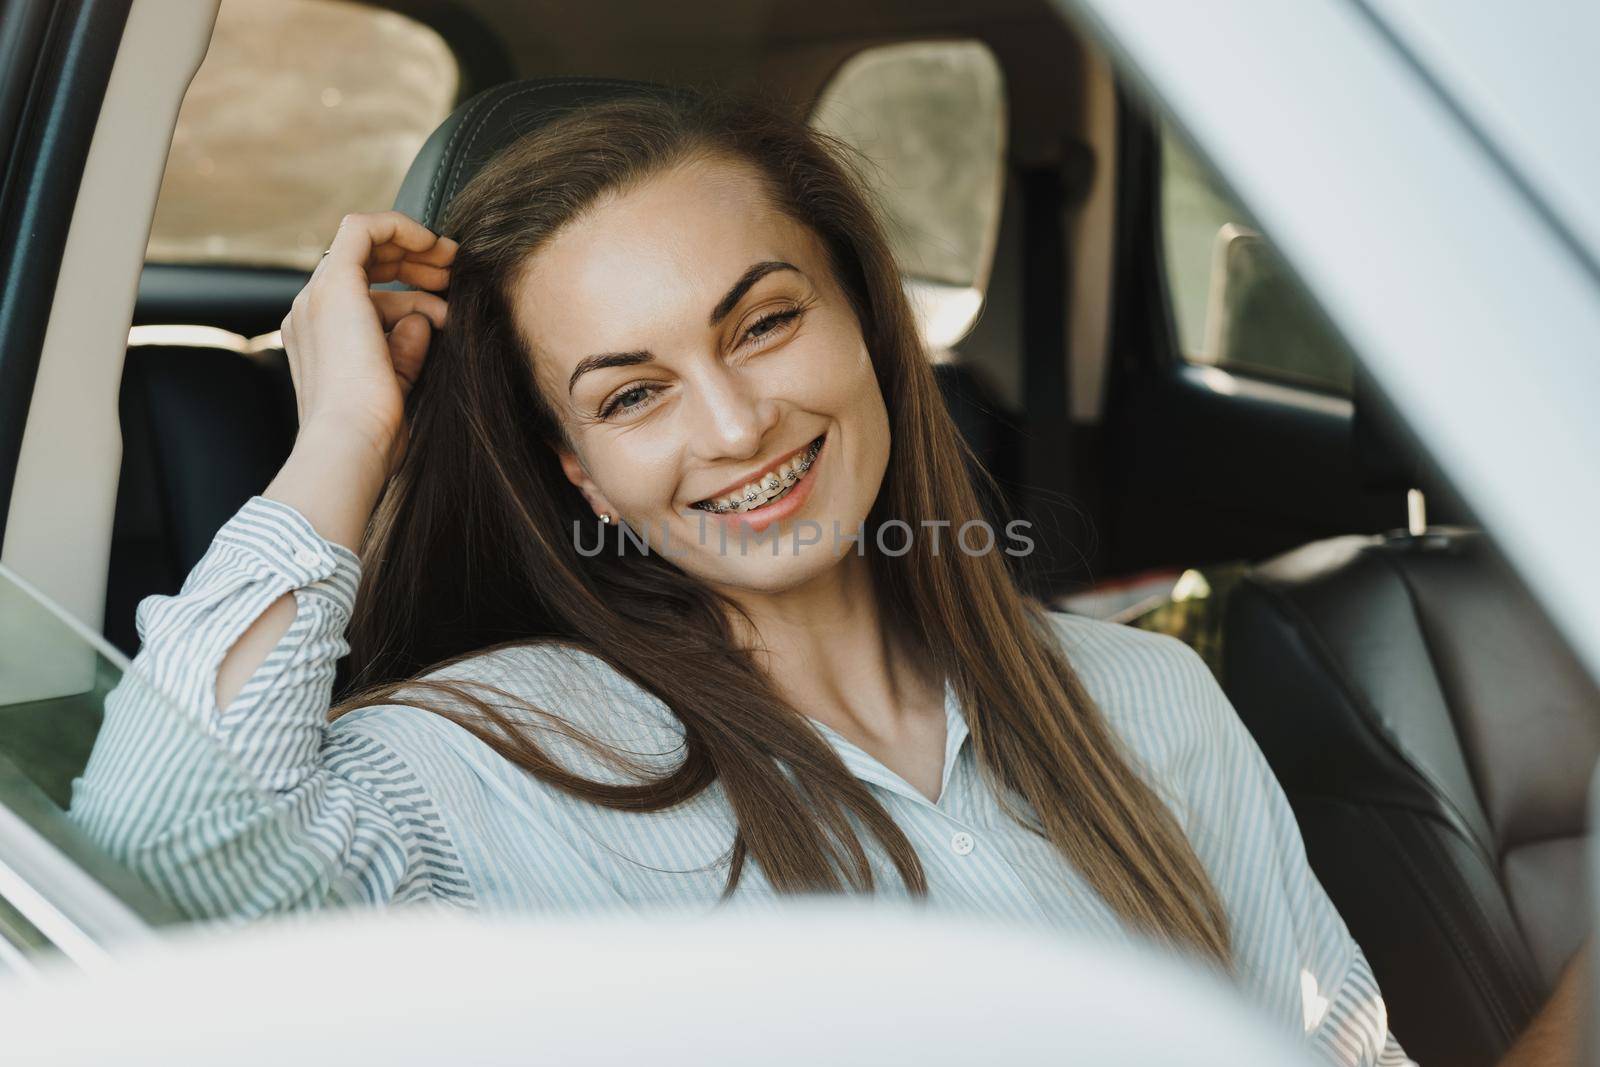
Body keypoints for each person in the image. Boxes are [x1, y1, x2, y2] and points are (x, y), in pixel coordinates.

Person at [69, 90, 1435, 1064]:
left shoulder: (1149, 699)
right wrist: (348, 437)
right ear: (579, 477)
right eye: (632, 394)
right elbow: (158, 844)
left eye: (765, 322)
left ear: (867, 322)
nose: (734, 427)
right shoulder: (493, 755)